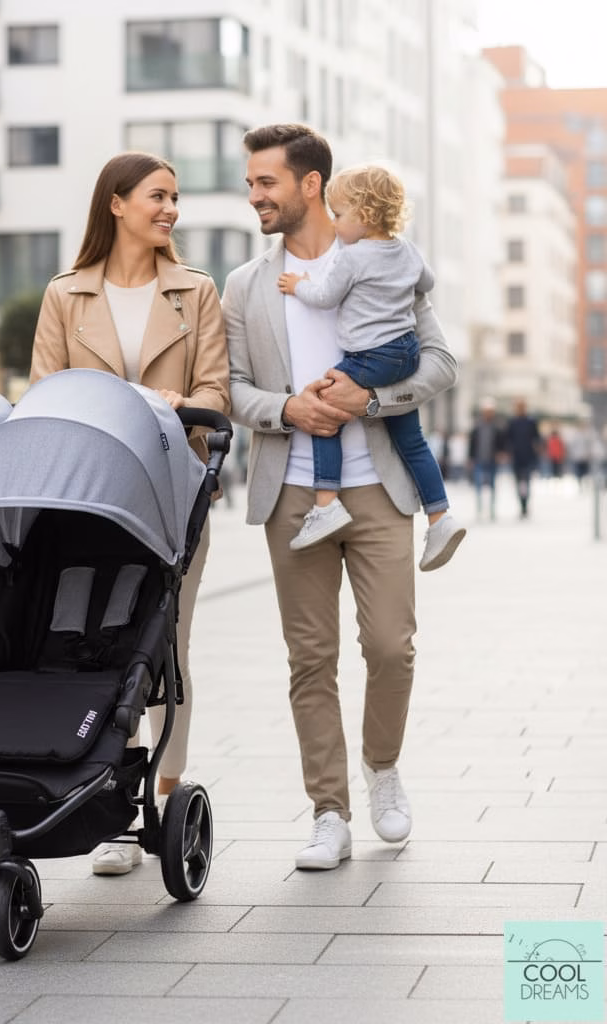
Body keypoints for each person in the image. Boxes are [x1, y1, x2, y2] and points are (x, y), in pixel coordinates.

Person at [222, 123, 457, 871]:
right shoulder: (247, 286)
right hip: (293, 493)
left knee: (391, 646)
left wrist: (373, 398)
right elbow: (229, 388)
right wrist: (287, 409)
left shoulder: (384, 263)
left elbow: (442, 361)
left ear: (310, 185)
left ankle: (381, 768)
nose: (253, 194)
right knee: (310, 658)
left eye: (266, 182)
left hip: (380, 488)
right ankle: (329, 812)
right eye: (251, 181)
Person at [30, 151, 230, 875]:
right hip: (88, 492)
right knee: (95, 638)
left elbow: (216, 386)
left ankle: (159, 797)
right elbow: (42, 392)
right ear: (116, 203)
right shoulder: (66, 294)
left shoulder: (194, 292)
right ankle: (109, 796)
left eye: (175, 197)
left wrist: (185, 406)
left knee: (165, 642)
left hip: (172, 489)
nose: (171, 208)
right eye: (158, 195)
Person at [276, 164, 465, 571]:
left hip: (370, 356)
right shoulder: (408, 250)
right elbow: (426, 282)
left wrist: (297, 286)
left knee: (326, 407)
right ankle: (439, 516)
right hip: (406, 353)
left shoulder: (352, 257)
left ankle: (326, 502)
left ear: (362, 215)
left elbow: (325, 296)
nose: (333, 221)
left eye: (339, 214)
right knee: (411, 441)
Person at [504, 398, 542, 518]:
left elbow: (537, 439)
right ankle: (521, 505)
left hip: (528, 458)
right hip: (516, 459)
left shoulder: (531, 422)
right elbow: (507, 439)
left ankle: (525, 506)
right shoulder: (512, 422)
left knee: (526, 483)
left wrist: (537, 451)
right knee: (518, 484)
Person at [468, 398, 505, 520]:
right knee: (478, 486)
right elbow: (472, 444)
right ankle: (479, 510)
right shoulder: (477, 427)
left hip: (492, 461)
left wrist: (501, 454)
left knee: (493, 486)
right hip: (479, 460)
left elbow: (501, 444)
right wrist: (470, 459)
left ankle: (492, 510)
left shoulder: (497, 427)